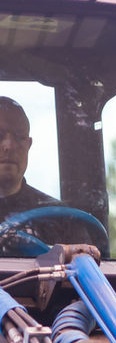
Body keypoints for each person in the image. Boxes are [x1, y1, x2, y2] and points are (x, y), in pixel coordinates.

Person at [0, 96, 104, 255]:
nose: (9, 145)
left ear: (28, 145)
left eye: (19, 137)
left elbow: (86, 271)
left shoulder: (62, 219)